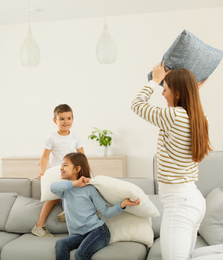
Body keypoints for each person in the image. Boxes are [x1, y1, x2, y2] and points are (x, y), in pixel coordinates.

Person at [131, 63, 212, 260]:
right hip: (192, 200)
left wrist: (154, 80)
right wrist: (188, 90)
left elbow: (137, 105)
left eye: (165, 90)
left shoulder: (173, 116)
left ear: (177, 94)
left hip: (179, 205)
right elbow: (188, 104)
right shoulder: (200, 117)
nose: (162, 94)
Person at [51, 152, 140, 260]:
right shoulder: (65, 190)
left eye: (65, 165)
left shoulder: (90, 189)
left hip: (98, 231)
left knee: (80, 254)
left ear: (77, 169)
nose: (61, 168)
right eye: (61, 165)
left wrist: (122, 205)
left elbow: (106, 212)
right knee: (61, 244)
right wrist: (76, 183)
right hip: (78, 235)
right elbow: (52, 187)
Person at [31, 104, 85, 238]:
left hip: (72, 172)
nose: (65, 122)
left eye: (68, 118)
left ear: (73, 119)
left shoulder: (75, 137)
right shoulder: (52, 137)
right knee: (52, 198)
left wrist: (83, 170)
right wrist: (42, 171)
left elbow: (82, 155)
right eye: (61, 119)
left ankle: (67, 210)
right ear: (55, 121)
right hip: (58, 171)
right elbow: (45, 156)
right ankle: (39, 226)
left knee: (81, 189)